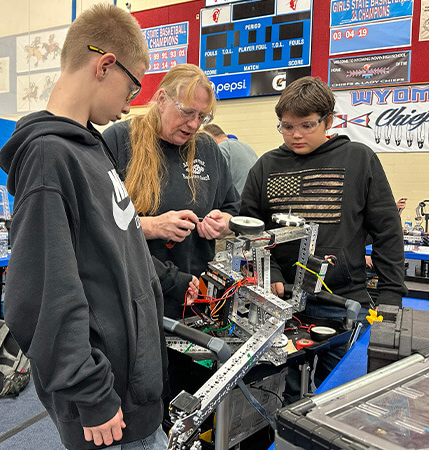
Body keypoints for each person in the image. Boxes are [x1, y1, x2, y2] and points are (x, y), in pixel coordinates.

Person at [0, 5, 168, 449]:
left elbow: (116, 253)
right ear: (105, 65)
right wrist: (91, 393)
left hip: (132, 387)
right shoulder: (49, 158)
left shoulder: (90, 148)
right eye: (133, 86)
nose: (131, 101)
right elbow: (39, 294)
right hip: (105, 401)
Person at [240, 76, 406, 388]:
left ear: (327, 120)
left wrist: (390, 297)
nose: (295, 135)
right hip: (282, 307)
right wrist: (272, 270)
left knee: (344, 392)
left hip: (344, 304)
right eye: (286, 126)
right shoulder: (266, 166)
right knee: (282, 394)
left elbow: (387, 231)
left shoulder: (358, 158)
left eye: (306, 125)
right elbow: (251, 225)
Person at [103, 64, 240, 319]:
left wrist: (225, 224)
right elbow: (99, 222)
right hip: (136, 299)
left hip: (195, 297)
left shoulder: (207, 148)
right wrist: (151, 226)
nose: (194, 124)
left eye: (202, 117)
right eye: (187, 112)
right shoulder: (120, 141)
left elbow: (233, 209)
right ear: (162, 99)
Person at [203, 123, 258, 195]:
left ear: (209, 139)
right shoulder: (247, 147)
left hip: (239, 202)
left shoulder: (221, 148)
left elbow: (215, 182)